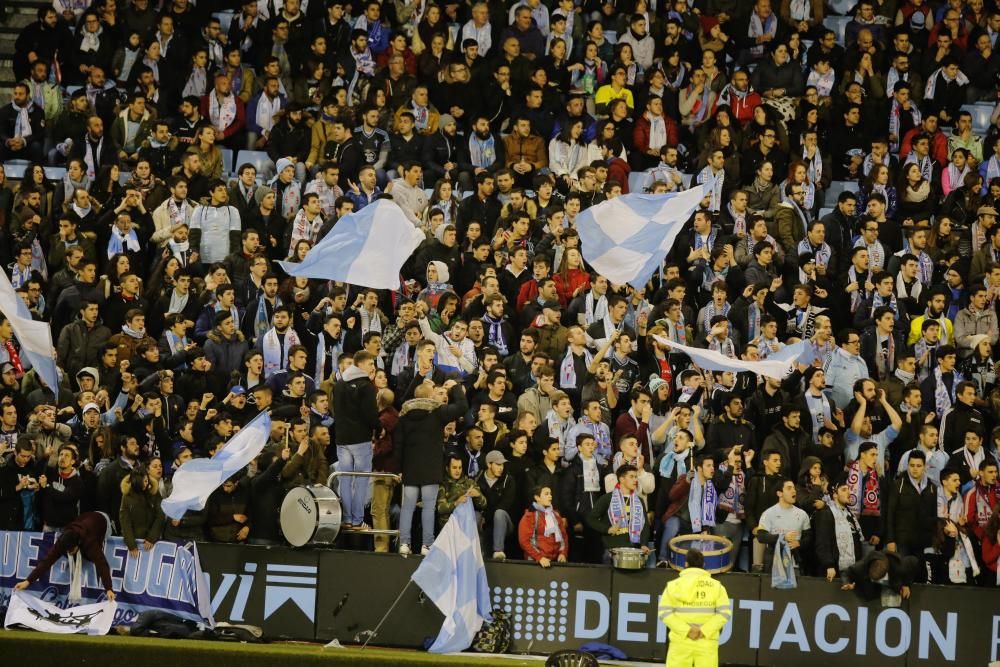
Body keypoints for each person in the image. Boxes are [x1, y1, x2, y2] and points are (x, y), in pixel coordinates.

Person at [14, 511, 117, 602]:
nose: (70, 553)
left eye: (71, 550)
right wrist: (28, 581)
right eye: (68, 551)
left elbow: (102, 564)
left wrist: (109, 589)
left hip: (103, 521)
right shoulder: (63, 540)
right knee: (78, 556)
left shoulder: (90, 542)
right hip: (86, 519)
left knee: (92, 557)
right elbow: (47, 561)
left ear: (78, 543)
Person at [658, 548, 731, 667]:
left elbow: (664, 613)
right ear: (703, 565)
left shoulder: (673, 585)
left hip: (680, 640)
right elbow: (724, 613)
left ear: (686, 564)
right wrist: (703, 631)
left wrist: (686, 631)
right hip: (706, 641)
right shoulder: (717, 586)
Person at [519, 484, 569, 567]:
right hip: (535, 563)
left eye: (550, 494)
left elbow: (563, 537)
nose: (550, 496)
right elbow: (524, 541)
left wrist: (563, 554)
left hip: (554, 562)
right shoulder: (529, 516)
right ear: (537, 498)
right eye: (546, 494)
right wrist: (539, 557)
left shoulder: (556, 515)